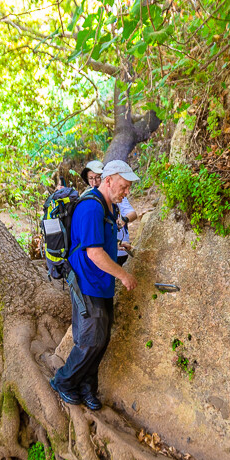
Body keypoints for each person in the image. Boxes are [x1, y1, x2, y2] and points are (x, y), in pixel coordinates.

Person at [50, 160, 140, 410]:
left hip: (100, 283)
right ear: (108, 180)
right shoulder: (91, 207)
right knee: (91, 340)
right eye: (124, 186)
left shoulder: (109, 207)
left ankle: (87, 388)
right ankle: (63, 382)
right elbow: (94, 254)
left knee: (100, 338)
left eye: (129, 187)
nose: (127, 192)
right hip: (86, 282)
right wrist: (123, 275)